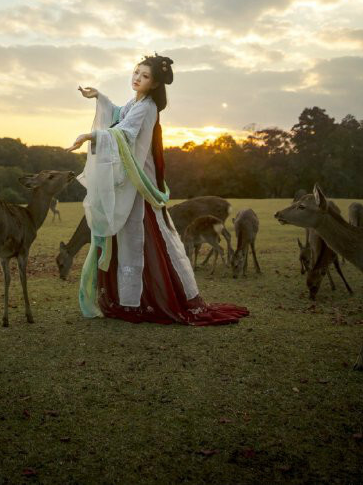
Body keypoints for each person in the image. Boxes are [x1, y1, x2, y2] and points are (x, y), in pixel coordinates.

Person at [68, 54, 249, 326]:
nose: (137, 78)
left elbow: (124, 132)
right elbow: (119, 116)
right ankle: (131, 299)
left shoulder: (148, 106)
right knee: (130, 235)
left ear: (154, 84)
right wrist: (100, 97)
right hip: (133, 178)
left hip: (141, 180)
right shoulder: (137, 101)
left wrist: (90, 136)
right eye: (136, 72)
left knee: (143, 235)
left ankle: (145, 300)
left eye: (144, 76)